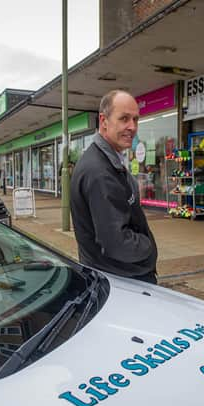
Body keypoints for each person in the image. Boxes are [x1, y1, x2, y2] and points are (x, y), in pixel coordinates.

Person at [71, 90, 158, 284]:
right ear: (104, 121)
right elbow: (116, 242)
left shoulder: (107, 160)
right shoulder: (100, 172)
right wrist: (148, 247)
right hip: (122, 279)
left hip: (115, 273)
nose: (132, 127)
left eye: (135, 119)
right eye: (124, 119)